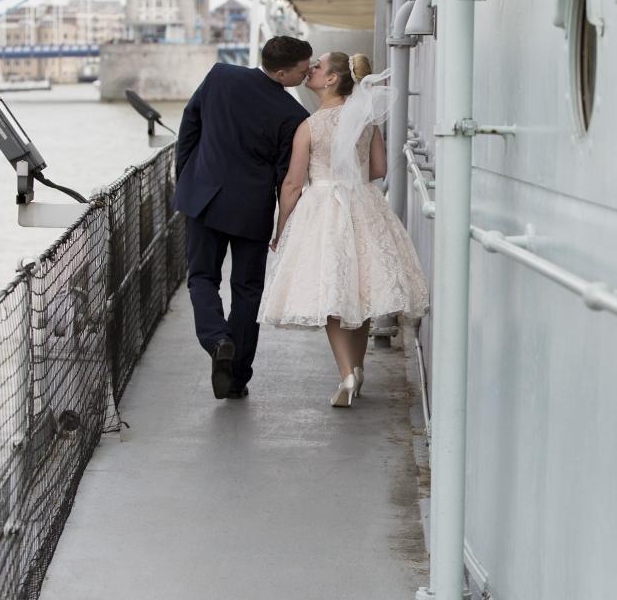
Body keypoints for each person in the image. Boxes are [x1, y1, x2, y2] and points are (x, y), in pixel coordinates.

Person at [260, 52, 429, 407]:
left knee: (332, 293)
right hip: (362, 204)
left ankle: (346, 373)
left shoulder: (309, 127)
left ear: (333, 79)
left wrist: (281, 229)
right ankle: (359, 366)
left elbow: (292, 184)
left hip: (322, 208)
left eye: (318, 67)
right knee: (361, 290)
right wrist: (350, 177)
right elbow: (380, 167)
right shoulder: (367, 120)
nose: (311, 71)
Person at [174, 36, 313, 400]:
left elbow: (190, 126)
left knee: (201, 277)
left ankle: (217, 339)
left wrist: (187, 176)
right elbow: (287, 177)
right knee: (247, 291)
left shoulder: (221, 76)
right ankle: (236, 379)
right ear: (282, 72)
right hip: (252, 210)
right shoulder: (295, 116)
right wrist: (285, 225)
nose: (306, 73)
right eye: (302, 70)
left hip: (203, 196)